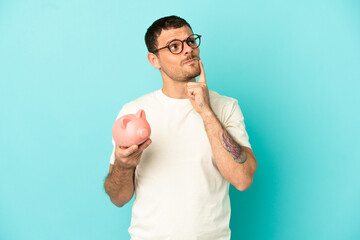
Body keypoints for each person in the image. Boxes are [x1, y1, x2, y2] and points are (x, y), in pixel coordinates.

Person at [104, 15, 257, 240]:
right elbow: (118, 198)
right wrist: (124, 165)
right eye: (174, 46)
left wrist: (206, 112)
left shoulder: (225, 107)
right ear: (154, 60)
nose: (188, 50)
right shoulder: (134, 112)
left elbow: (243, 179)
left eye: (191, 41)